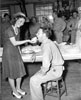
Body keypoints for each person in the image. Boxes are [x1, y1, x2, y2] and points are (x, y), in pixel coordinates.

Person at [2, 12, 32, 99]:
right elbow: (14, 43)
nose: (22, 24)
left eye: (23, 22)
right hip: (8, 52)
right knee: (11, 73)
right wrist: (28, 41)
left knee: (20, 71)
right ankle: (14, 91)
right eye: (20, 21)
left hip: (15, 51)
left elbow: (17, 44)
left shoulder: (18, 29)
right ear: (15, 20)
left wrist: (20, 52)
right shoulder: (9, 30)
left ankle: (18, 88)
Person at [30, 26, 64, 100]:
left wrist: (42, 73)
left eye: (38, 33)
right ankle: (50, 84)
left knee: (33, 80)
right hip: (56, 68)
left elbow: (46, 65)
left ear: (44, 35)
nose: (36, 34)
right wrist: (36, 54)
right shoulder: (47, 42)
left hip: (55, 70)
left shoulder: (46, 45)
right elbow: (43, 51)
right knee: (37, 76)